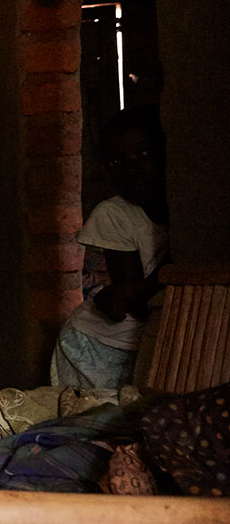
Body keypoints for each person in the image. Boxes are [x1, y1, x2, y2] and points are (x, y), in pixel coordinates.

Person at [51, 105, 169, 388]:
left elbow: (134, 290)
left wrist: (137, 288)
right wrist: (137, 289)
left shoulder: (191, 209)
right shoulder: (114, 214)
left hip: (141, 344)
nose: (132, 169)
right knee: (94, 424)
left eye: (143, 154)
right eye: (116, 163)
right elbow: (136, 303)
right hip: (95, 346)